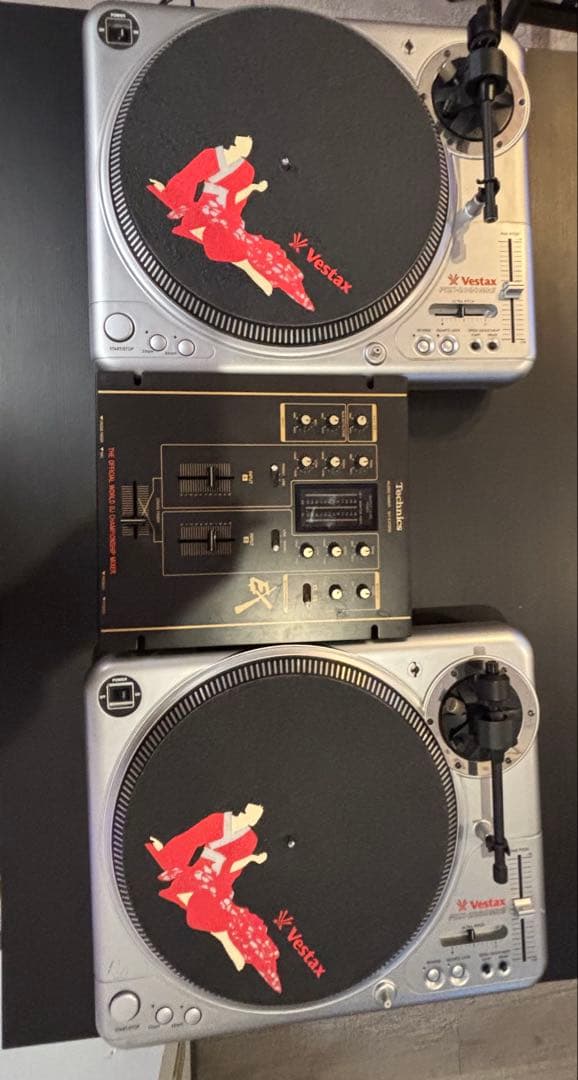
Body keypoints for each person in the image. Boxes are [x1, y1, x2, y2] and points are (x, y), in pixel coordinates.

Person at [147, 135, 314, 311]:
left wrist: (252, 189)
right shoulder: (210, 155)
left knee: (254, 247)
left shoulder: (247, 170)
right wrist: (169, 193)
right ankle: (250, 270)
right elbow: (187, 178)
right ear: (235, 139)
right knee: (215, 235)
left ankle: (287, 286)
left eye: (251, 144)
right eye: (247, 140)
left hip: (226, 216)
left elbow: (234, 202)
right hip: (202, 212)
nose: (250, 146)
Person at [145, 803, 282, 994]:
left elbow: (232, 868)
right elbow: (190, 838)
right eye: (255, 813)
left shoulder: (251, 839)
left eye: (258, 817)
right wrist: (166, 852)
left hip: (219, 882)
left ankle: (229, 941)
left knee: (211, 907)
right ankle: (225, 939)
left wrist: (251, 860)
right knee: (195, 900)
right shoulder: (218, 820)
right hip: (198, 874)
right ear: (246, 808)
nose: (255, 819)